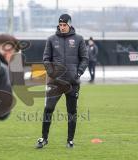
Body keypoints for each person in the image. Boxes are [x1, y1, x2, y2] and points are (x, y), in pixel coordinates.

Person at [36, 14, 88, 149]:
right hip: (55, 82)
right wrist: (51, 72)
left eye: (64, 25)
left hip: (72, 83)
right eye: (61, 25)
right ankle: (44, 138)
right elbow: (46, 59)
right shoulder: (51, 39)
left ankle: (70, 140)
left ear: (69, 24)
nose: (62, 27)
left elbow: (84, 59)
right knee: (48, 108)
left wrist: (79, 72)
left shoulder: (79, 39)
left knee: (72, 111)